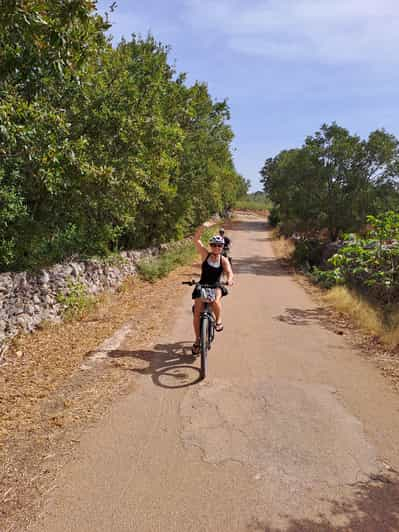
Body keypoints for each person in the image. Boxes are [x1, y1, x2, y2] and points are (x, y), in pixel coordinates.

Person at [191, 224, 234, 355]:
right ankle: (198, 340)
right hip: (203, 285)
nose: (216, 247)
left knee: (215, 300)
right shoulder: (205, 255)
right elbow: (196, 239)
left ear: (222, 247)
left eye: (219, 246)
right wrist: (202, 227)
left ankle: (218, 320)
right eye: (214, 245)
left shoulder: (223, 260)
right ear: (210, 246)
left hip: (216, 285)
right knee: (197, 313)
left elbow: (229, 272)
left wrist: (230, 279)